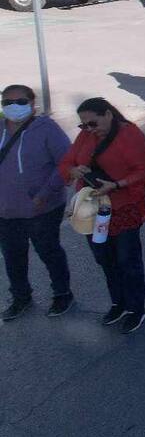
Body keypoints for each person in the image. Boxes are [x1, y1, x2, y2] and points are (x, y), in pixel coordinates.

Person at [59, 97, 145, 334]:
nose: (89, 129)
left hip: (123, 208)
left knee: (127, 260)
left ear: (109, 114)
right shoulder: (86, 136)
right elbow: (67, 162)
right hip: (94, 211)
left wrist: (117, 184)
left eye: (93, 123)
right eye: (84, 125)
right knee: (104, 257)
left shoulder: (128, 134)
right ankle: (118, 302)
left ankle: (136, 308)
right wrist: (74, 170)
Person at [0, 84, 72, 321]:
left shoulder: (46, 128)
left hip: (42, 207)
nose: (14, 107)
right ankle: (21, 297)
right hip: (6, 210)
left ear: (32, 104)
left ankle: (62, 294)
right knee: (13, 255)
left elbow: (66, 163)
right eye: (7, 102)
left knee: (48, 251)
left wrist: (43, 194)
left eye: (20, 102)